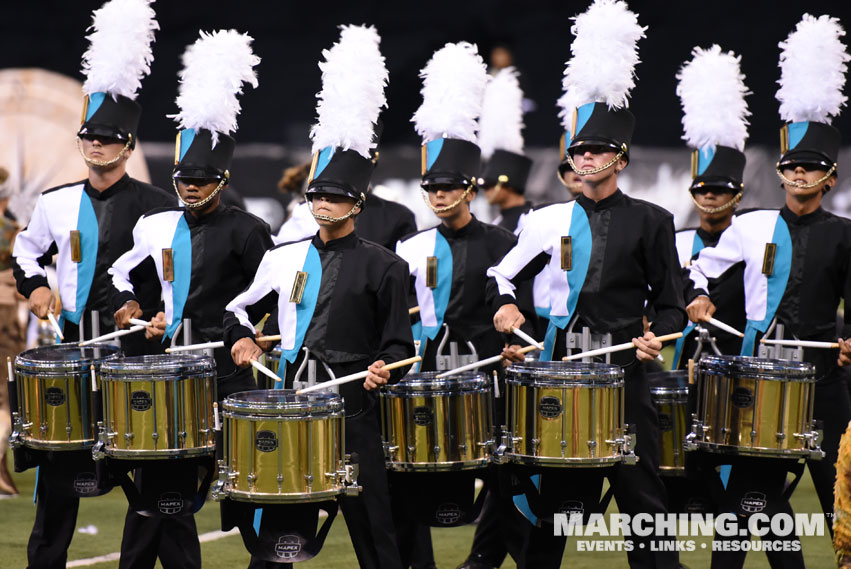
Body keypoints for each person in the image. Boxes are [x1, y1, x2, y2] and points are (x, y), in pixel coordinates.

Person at [487, 2, 683, 566]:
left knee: (645, 504)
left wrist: (659, 338)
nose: (586, 156)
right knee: (556, 509)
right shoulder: (545, 218)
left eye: (596, 149)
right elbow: (503, 273)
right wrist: (504, 305)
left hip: (626, 374)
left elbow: (669, 306)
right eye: (579, 150)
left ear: (619, 157)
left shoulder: (652, 220)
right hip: (559, 371)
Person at [224, 25, 414, 569]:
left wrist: (386, 369)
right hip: (293, 402)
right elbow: (238, 307)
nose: (323, 204)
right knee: (280, 526)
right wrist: (241, 339)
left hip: (355, 409)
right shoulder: (282, 255)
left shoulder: (386, 264)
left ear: (357, 202)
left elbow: (400, 345)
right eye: (317, 195)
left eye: (334, 196)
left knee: (374, 530)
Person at [9, 2, 173, 567]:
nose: (96, 145)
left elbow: (177, 276)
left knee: (145, 476)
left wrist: (156, 315)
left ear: (128, 145)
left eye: (108, 138)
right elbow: (23, 255)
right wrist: (33, 289)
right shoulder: (54, 202)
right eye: (89, 136)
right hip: (76, 344)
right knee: (60, 469)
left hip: (139, 352)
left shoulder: (160, 208)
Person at [687, 15, 851, 566]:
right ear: (780, 173)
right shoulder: (750, 225)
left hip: (826, 383)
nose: (800, 174)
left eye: (812, 168)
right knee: (749, 503)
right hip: (760, 378)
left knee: (842, 501)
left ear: (830, 178)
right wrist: (701, 296)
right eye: (792, 166)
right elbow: (701, 268)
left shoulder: (844, 234)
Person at [109, 29, 265, 569]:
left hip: (228, 372)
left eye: (201, 179)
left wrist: (255, 335)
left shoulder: (251, 230)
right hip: (172, 368)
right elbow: (119, 272)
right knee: (161, 489)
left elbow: (262, 297)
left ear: (222, 178)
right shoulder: (154, 225)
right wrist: (130, 307)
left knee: (248, 483)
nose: (191, 187)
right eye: (183, 178)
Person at [449, 65, 531, 569]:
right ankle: (485, 556)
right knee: (495, 468)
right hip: (463, 365)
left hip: (499, 364)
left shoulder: (514, 234)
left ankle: (496, 556)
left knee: (506, 465)